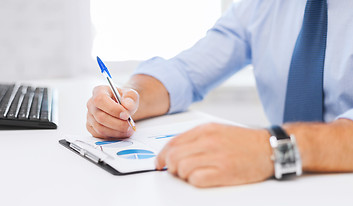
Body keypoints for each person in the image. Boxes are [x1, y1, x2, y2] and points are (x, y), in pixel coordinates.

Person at [86, 0, 353, 187]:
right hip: (286, 194)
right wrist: (130, 99)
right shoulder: (261, 6)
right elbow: (186, 72)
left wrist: (270, 148)